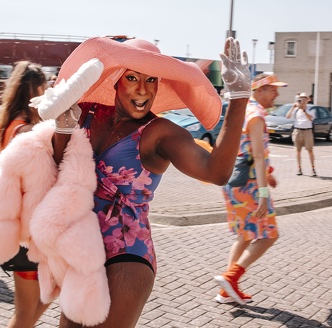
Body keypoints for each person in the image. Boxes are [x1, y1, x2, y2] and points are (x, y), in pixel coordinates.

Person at [47, 36, 251, 327]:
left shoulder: (161, 133)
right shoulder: (88, 113)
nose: (143, 90)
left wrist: (240, 98)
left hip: (128, 256)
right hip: (82, 253)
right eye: (132, 77)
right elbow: (57, 172)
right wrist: (61, 130)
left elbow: (216, 172)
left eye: (151, 80)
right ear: (116, 80)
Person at [213, 73, 286, 305]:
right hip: (250, 187)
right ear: (259, 90)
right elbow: (256, 155)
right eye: (272, 89)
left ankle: (226, 290)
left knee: (245, 235)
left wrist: (268, 174)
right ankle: (231, 277)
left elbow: (247, 152)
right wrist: (264, 194)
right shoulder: (256, 115)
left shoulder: (243, 111)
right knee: (269, 235)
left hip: (236, 182)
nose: (277, 93)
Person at [0, 61, 49, 328]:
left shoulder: (14, 124)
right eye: (45, 85)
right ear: (35, 88)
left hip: (22, 229)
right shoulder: (24, 130)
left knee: (39, 301)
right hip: (26, 234)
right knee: (27, 312)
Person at [286, 92, 316, 176]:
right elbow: (287, 116)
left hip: (307, 131)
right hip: (298, 130)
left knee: (310, 150)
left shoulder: (311, 109)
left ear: (307, 100)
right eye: (301, 99)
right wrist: (293, 107)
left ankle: (313, 169)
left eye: (304, 99)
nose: (302, 100)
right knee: (298, 150)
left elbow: (311, 118)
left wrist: (304, 110)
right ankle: (299, 168)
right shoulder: (296, 110)